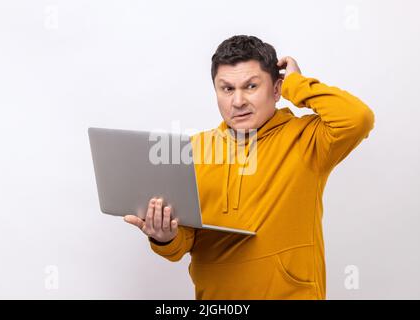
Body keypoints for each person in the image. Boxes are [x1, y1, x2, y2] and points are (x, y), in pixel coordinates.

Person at [124, 35, 375, 300]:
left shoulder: (308, 139)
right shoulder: (193, 150)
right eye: (227, 89)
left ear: (276, 90)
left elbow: (358, 118)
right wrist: (165, 236)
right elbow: (183, 243)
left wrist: (298, 85)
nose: (238, 101)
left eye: (251, 86)